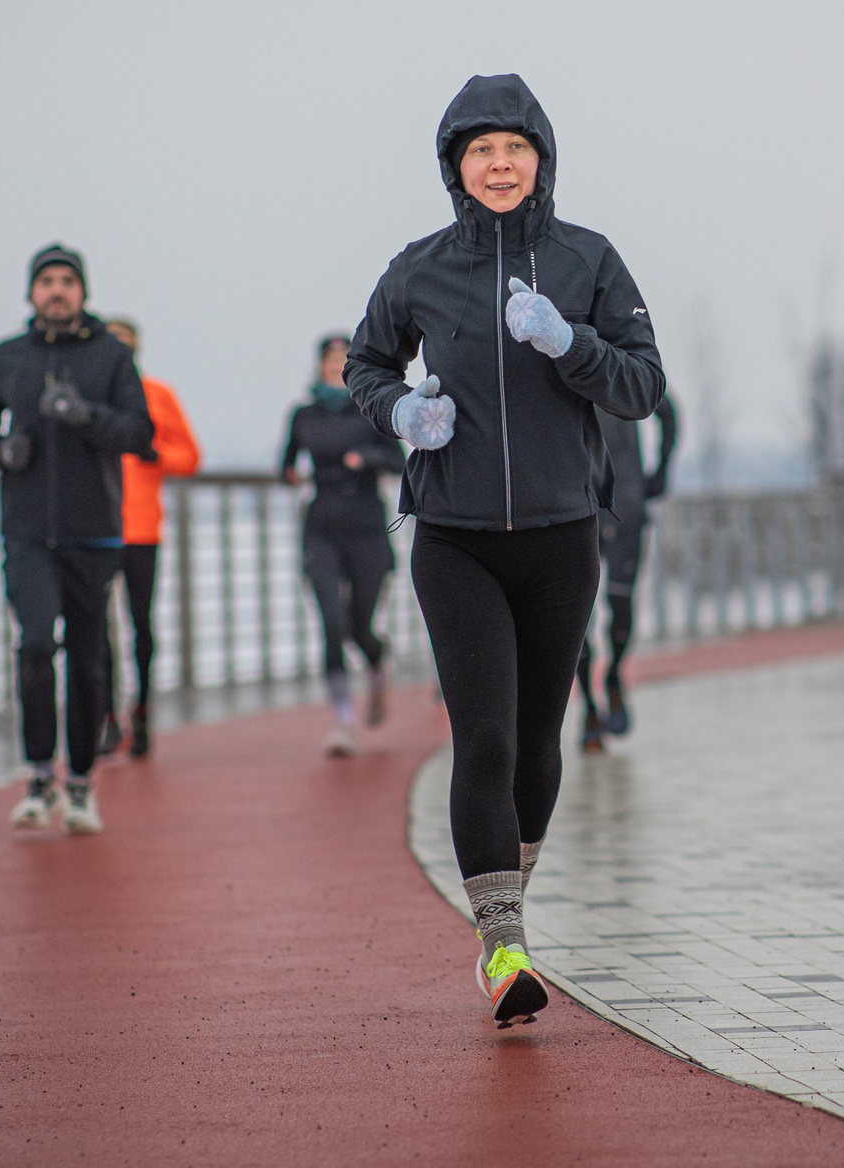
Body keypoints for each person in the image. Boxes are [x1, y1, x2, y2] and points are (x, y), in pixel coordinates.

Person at [345, 74, 664, 1029]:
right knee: (481, 733)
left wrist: (571, 344)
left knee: (536, 741)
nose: (497, 164)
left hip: (564, 536)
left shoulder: (589, 260)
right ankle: (503, 937)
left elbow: (643, 385)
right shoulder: (418, 269)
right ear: (454, 165)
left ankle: (505, 888)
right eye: (479, 150)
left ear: (540, 160)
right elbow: (366, 362)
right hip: (455, 539)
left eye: (513, 148)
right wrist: (400, 409)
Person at [0, 245, 154, 835]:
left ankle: (80, 784)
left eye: (67, 281)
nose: (57, 290)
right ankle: (40, 773)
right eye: (46, 281)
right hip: (26, 534)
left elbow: (139, 432)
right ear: (31, 293)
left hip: (94, 533)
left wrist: (83, 417)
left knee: (89, 662)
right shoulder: (7, 358)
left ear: (83, 291)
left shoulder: (110, 356)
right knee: (37, 646)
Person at [280, 334, 405, 756]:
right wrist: (290, 475)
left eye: (342, 360)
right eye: (329, 360)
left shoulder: (371, 409)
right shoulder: (303, 414)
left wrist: (366, 457)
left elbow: (399, 461)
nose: (335, 366)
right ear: (318, 367)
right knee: (331, 621)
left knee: (359, 625)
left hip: (367, 526)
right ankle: (342, 721)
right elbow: (286, 462)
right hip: (321, 526)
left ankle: (375, 659)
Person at [100, 317, 201, 758]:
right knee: (96, 629)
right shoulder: (88, 399)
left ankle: (141, 707)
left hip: (141, 529)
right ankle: (105, 716)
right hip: (96, 526)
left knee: (140, 625)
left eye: (127, 345)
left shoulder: (157, 396)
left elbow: (190, 456)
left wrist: (154, 454)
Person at [575, 393, 680, 751]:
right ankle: (589, 705)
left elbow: (667, 412)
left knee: (620, 606)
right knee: (574, 619)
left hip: (627, 508)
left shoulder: (620, 364)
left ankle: (615, 676)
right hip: (576, 511)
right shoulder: (552, 362)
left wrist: (661, 470)